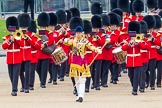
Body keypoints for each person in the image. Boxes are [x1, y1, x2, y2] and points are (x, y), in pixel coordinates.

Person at [64, 24, 102, 102]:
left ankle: (81, 95)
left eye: (79, 33)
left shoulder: (85, 41)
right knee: (76, 79)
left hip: (82, 62)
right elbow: (67, 43)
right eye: (77, 33)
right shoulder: (73, 40)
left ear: (82, 33)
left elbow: (91, 46)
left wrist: (97, 50)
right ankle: (78, 95)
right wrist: (65, 40)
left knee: (82, 80)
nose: (78, 34)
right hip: (74, 62)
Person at [2, 16, 23, 96]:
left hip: (17, 57)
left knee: (15, 75)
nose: (12, 31)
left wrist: (16, 38)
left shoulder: (19, 35)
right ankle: (14, 86)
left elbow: (22, 45)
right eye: (10, 29)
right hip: (10, 58)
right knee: (11, 75)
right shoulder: (6, 37)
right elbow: (4, 47)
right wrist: (10, 40)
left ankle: (14, 89)